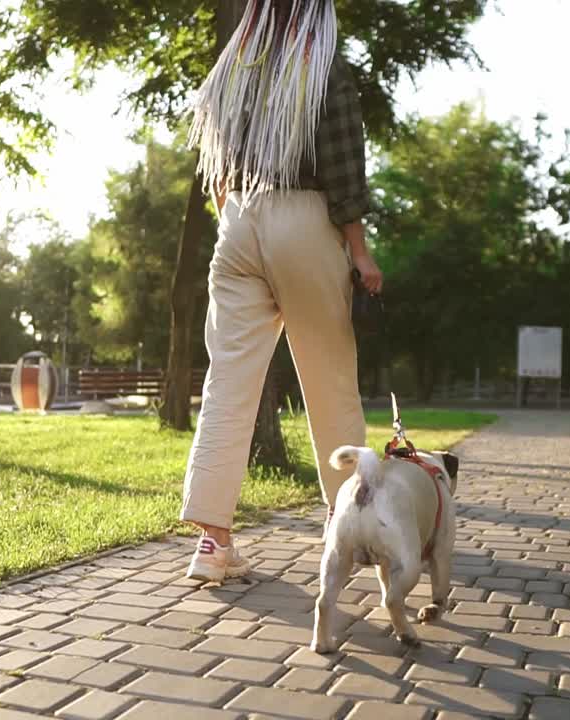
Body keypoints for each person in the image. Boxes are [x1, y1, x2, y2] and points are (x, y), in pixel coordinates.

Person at [180, 0, 383, 582]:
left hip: (238, 219)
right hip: (303, 217)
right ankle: (349, 532)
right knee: (329, 379)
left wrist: (237, 219)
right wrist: (361, 253)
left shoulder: (234, 66)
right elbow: (345, 171)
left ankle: (213, 546)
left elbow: (215, 167)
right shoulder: (323, 69)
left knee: (228, 383)